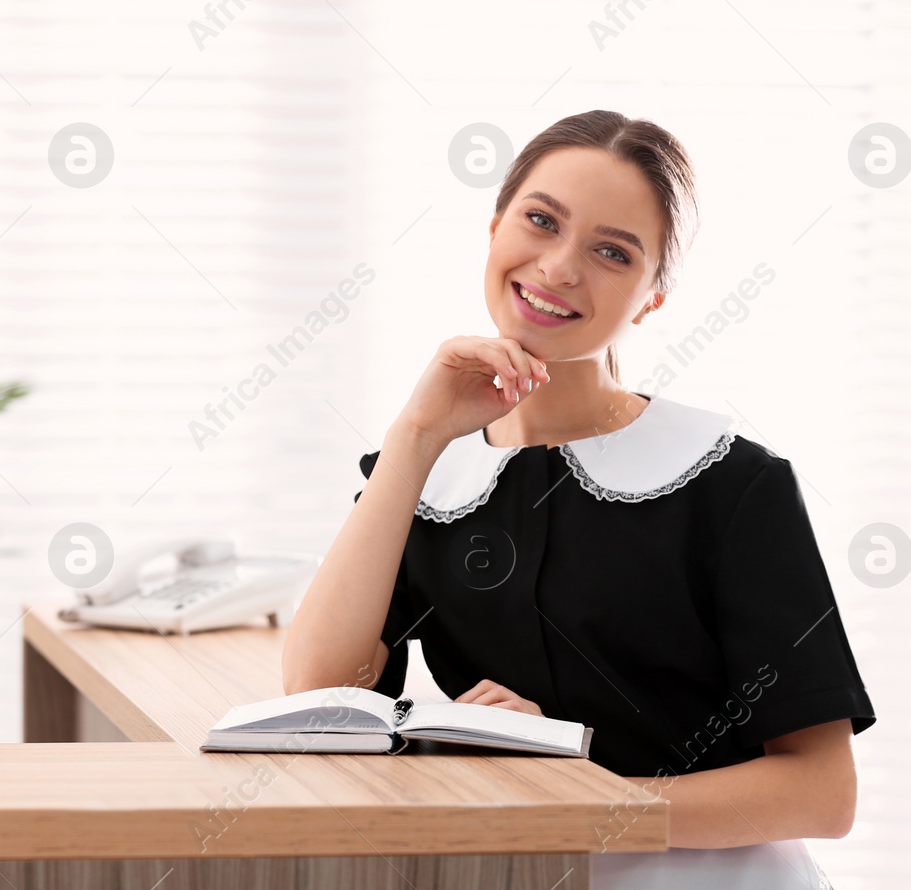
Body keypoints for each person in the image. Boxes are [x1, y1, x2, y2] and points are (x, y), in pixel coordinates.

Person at [281, 109, 875, 889]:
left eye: (611, 251)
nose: (560, 267)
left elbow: (821, 793)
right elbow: (323, 695)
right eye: (540, 220)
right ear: (494, 228)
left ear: (650, 297)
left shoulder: (730, 484)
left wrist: (572, 791)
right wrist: (416, 434)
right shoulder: (429, 474)